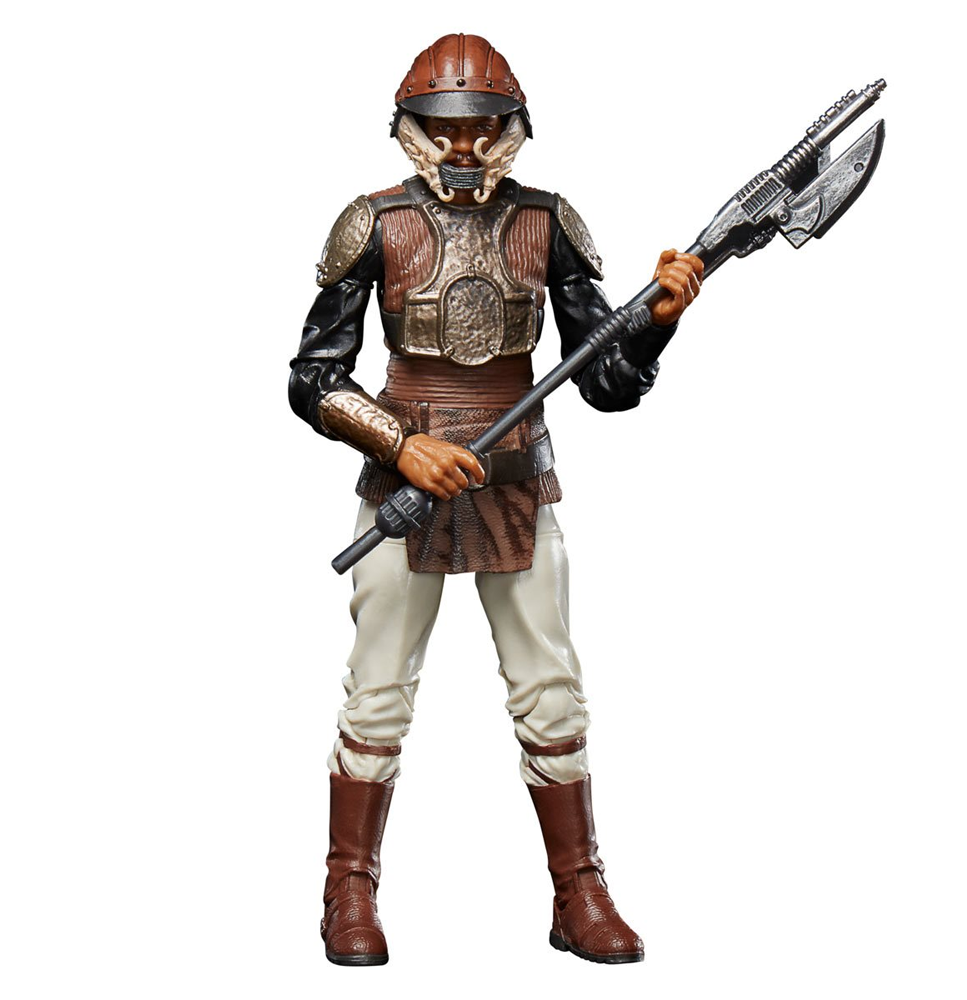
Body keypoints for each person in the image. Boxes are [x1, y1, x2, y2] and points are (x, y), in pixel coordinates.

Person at [289, 33, 703, 966]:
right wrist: (402, 443)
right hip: (402, 487)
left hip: (517, 482)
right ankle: (347, 888)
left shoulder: (547, 223)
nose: (465, 147)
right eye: (446, 128)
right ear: (413, 129)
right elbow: (312, 378)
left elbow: (605, 382)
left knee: (552, 690)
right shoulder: (374, 223)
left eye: (482, 127)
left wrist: (657, 324)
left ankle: (579, 887)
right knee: (377, 692)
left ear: (511, 127)